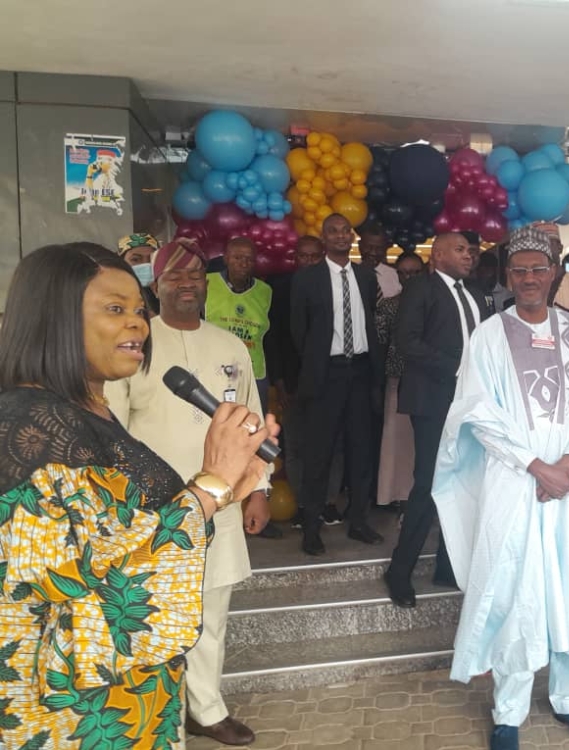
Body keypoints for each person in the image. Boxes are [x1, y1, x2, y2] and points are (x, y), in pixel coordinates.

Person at [0, 243, 273, 749]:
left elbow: (122, 533)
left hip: (134, 704)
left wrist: (229, 487)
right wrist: (207, 486)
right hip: (78, 719)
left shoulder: (84, 411)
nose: (139, 324)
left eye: (137, 309)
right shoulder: (28, 429)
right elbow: (95, 604)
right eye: (114, 309)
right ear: (53, 316)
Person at [433, 226, 569, 750]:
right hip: (516, 479)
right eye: (518, 270)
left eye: (538, 270)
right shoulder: (490, 335)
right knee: (516, 590)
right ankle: (509, 710)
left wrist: (565, 462)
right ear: (506, 276)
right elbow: (476, 410)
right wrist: (534, 465)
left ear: (554, 274)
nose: (528, 279)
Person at [107, 239, 272, 746]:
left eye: (196, 276)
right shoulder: (134, 344)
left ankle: (206, 708)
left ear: (207, 286)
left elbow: (251, 422)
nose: (186, 284)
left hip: (219, 505)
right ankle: (159, 716)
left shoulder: (229, 347)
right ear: (155, 287)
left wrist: (259, 489)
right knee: (152, 613)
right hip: (152, 509)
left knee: (210, 613)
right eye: (175, 277)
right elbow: (111, 429)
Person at [384, 233, 488, 607]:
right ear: (438, 255)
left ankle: (448, 565)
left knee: (463, 481)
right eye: (460, 250)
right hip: (432, 401)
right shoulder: (422, 289)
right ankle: (399, 571)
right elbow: (406, 340)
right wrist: (458, 368)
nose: (468, 256)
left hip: (471, 403)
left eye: (470, 251)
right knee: (428, 483)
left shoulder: (475, 294)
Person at [291, 213, 384, 554]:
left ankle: (358, 521)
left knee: (361, 451)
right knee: (319, 455)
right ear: (324, 238)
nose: (342, 236)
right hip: (326, 374)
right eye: (334, 231)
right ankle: (311, 526)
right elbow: (299, 332)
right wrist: (318, 363)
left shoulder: (364, 275)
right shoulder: (307, 279)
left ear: (352, 237)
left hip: (360, 371)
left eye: (346, 231)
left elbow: (368, 320)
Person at [265, 235, 325, 514]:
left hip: (328, 381)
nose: (309, 261)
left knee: (329, 446)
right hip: (291, 382)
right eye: (304, 256)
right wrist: (279, 381)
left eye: (315, 256)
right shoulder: (280, 289)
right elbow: (273, 338)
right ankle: (302, 503)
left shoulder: (333, 285)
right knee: (297, 445)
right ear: (295, 257)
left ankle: (327, 502)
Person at [375, 251, 426, 507]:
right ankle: (398, 495)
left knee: (424, 442)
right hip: (397, 380)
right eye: (404, 272)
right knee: (397, 440)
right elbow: (381, 341)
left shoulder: (434, 303)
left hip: (428, 382)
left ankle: (421, 494)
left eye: (415, 272)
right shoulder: (388, 305)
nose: (410, 277)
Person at [206, 236, 273, 411]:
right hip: (215, 369)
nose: (243, 263)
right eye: (237, 258)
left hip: (254, 372)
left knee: (254, 425)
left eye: (249, 259)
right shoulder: (206, 283)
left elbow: (272, 338)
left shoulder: (265, 291)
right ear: (226, 258)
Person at [118, 232, 161, 314]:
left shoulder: (167, 292)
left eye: (151, 258)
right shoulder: (111, 294)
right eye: (135, 259)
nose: (145, 264)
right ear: (121, 262)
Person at [358, 220, 402, 301]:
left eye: (379, 248)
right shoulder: (349, 273)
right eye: (368, 247)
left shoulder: (394, 275)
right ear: (359, 245)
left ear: (385, 249)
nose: (373, 252)